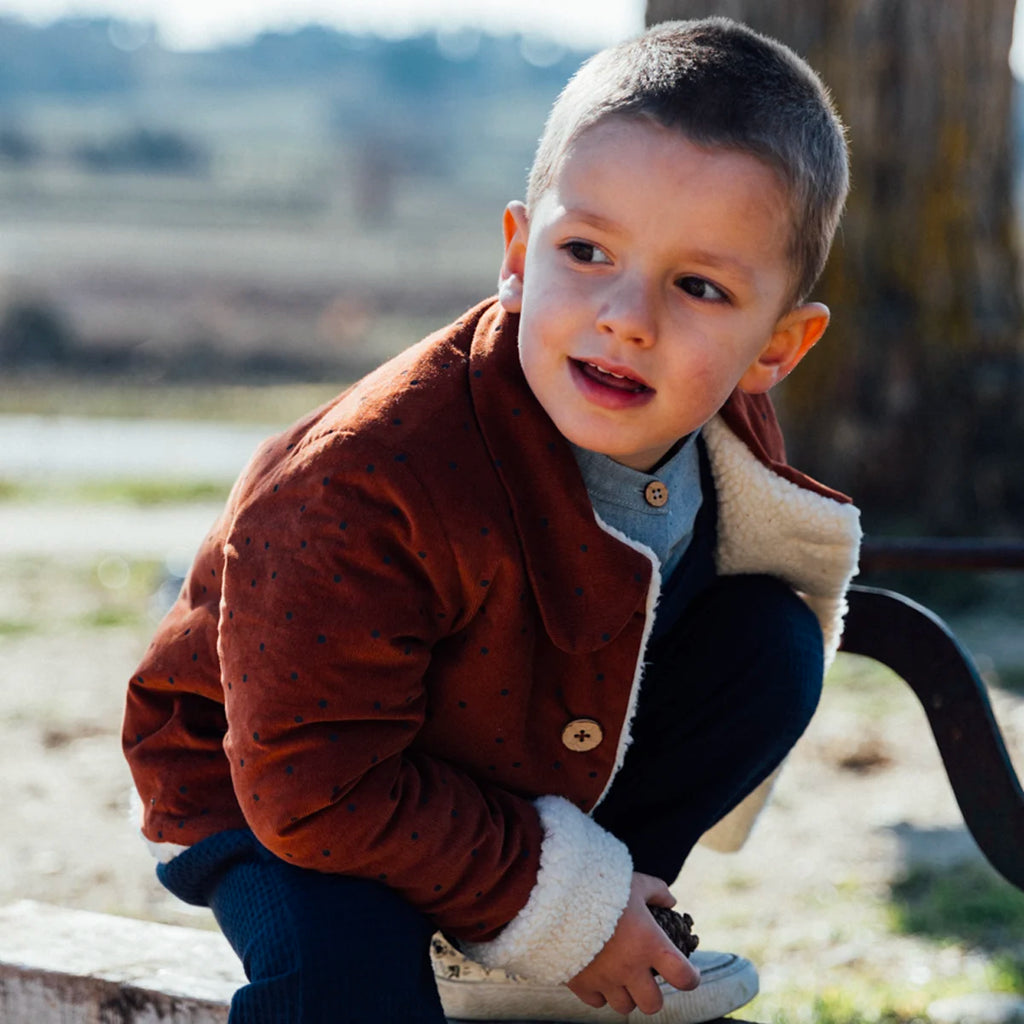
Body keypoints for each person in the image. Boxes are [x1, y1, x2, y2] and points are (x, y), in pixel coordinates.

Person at [123, 16, 861, 1024]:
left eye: (698, 286)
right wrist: (552, 899)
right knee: (347, 980)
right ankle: (538, 921)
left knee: (767, 643)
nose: (627, 316)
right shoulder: (362, 482)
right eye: (587, 250)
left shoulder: (713, 430)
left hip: (499, 741)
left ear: (777, 345)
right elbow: (310, 783)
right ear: (518, 253)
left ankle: (543, 949)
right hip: (283, 788)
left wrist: (577, 904)